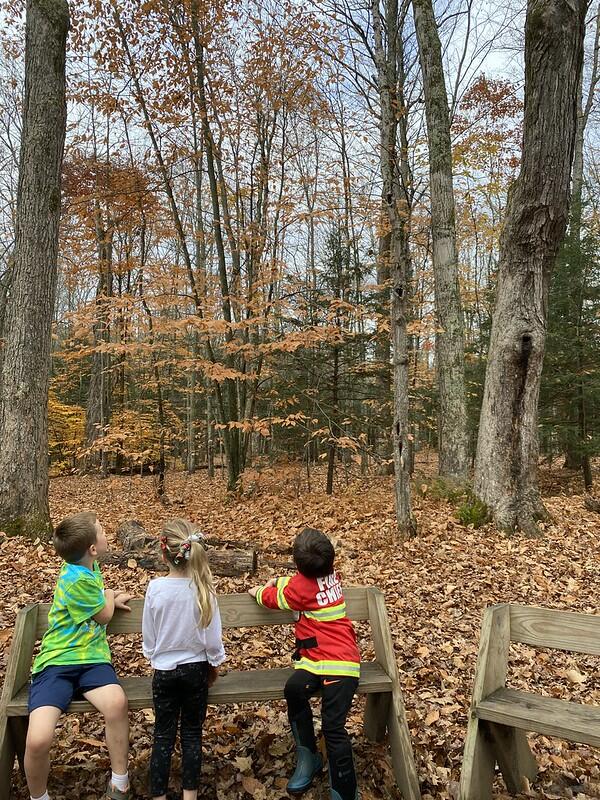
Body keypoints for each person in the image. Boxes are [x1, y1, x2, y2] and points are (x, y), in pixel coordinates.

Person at [24, 512, 132, 800]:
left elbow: (96, 605)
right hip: (57, 662)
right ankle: (38, 796)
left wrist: (105, 595)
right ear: (92, 549)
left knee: (117, 704)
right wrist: (109, 595)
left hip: (92, 660)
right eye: (102, 530)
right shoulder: (76, 580)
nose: (106, 532)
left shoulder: (86, 565)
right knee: (38, 738)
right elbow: (104, 615)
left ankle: (120, 782)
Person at [248, 527, 360, 800]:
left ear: (298, 565)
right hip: (314, 662)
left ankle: (344, 791)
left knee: (333, 728)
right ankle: (307, 756)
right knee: (294, 689)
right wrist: (280, 578)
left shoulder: (300, 588)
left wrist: (259, 589)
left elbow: (273, 598)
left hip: (341, 666)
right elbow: (296, 584)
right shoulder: (331, 576)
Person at [142, 519, 226, 800]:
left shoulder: (155, 589)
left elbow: (149, 636)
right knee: (192, 733)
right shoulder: (203, 589)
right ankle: (190, 796)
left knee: (163, 735)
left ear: (163, 553)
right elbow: (213, 640)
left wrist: (153, 655)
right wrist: (214, 662)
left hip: (164, 673)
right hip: (196, 672)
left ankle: (158, 795)